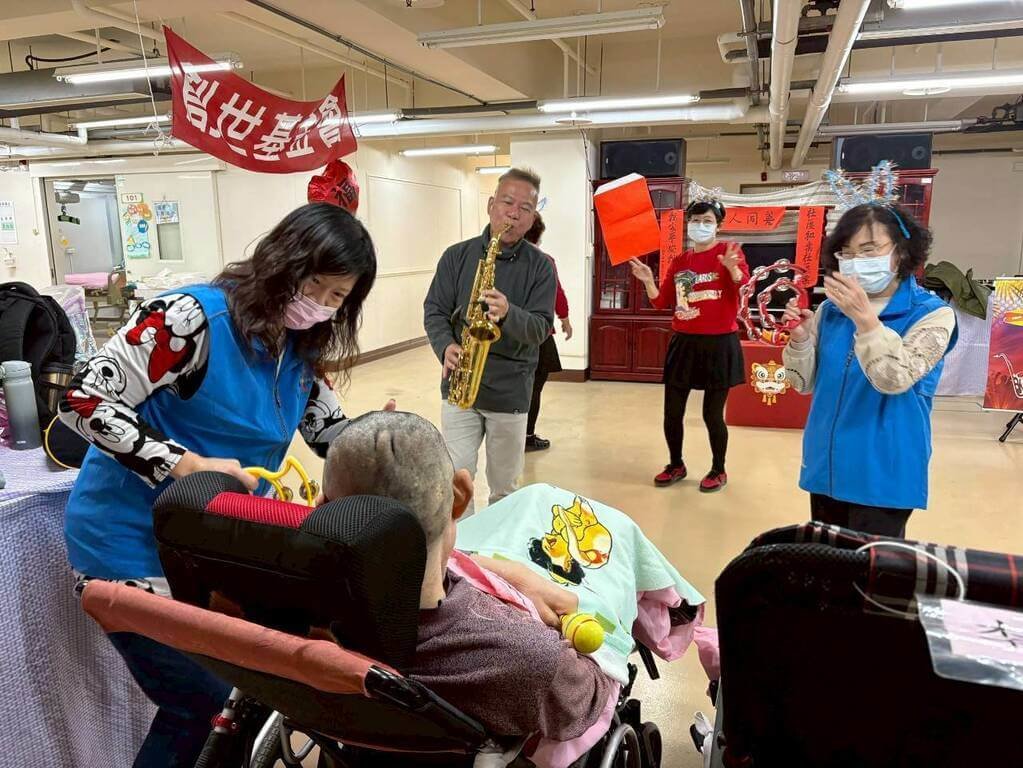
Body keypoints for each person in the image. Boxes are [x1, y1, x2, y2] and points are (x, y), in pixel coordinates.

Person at [59, 203, 388, 768]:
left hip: (217, 547)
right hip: (129, 545)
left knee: (254, 694)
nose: (320, 304)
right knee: (201, 703)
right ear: (283, 262)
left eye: (338, 297)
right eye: (315, 285)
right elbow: (81, 399)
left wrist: (384, 440)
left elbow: (330, 433)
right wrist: (181, 464)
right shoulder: (189, 319)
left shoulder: (298, 346)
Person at [320, 410, 612, 744]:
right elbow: (586, 702)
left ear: (322, 507)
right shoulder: (530, 658)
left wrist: (507, 574)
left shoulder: (289, 615)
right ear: (460, 494)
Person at [782, 203, 957, 538]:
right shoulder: (831, 311)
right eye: (847, 253)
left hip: (883, 469)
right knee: (830, 560)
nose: (856, 262)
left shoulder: (931, 314)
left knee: (874, 565)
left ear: (901, 252)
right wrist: (801, 339)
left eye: (869, 250)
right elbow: (801, 383)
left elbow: (894, 378)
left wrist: (866, 321)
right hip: (826, 462)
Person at [424, 168, 556, 512]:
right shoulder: (456, 256)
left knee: (505, 489)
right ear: (490, 205)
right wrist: (445, 346)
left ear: (532, 218)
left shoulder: (541, 267)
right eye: (507, 202)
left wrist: (509, 313)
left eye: (525, 208)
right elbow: (435, 310)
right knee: (456, 483)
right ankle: (461, 544)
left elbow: (541, 328)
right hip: (460, 387)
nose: (514, 214)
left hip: (510, 393)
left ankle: (498, 543)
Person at [629, 200, 749, 493]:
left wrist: (732, 269)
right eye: (695, 220)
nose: (700, 226)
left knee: (712, 414)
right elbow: (661, 301)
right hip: (684, 343)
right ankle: (676, 464)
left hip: (719, 343)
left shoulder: (728, 253)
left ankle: (718, 469)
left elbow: (744, 286)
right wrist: (648, 281)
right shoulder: (681, 261)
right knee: (672, 412)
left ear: (718, 225)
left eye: (707, 220)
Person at [523, 213, 572, 452]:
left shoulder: (501, 259)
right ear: (539, 233)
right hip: (538, 332)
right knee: (534, 385)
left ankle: (510, 435)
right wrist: (565, 319)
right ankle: (527, 436)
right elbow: (557, 293)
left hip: (507, 332)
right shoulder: (545, 260)